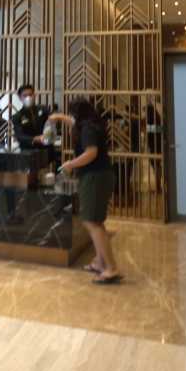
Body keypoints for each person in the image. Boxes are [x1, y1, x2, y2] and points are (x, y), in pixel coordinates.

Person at [50, 100, 121, 285]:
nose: (71, 117)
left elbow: (91, 153)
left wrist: (70, 164)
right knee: (96, 222)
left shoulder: (88, 129)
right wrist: (59, 117)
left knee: (91, 222)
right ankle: (100, 262)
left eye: (72, 113)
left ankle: (111, 268)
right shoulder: (91, 124)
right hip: (100, 175)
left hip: (94, 177)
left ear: (78, 113)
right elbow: (73, 122)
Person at [12, 85, 51, 151]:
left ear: (34, 95)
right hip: (28, 151)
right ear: (20, 98)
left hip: (46, 149)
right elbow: (19, 136)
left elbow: (51, 124)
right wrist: (35, 139)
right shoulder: (17, 116)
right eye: (25, 95)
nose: (28, 98)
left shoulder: (43, 109)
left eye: (30, 95)